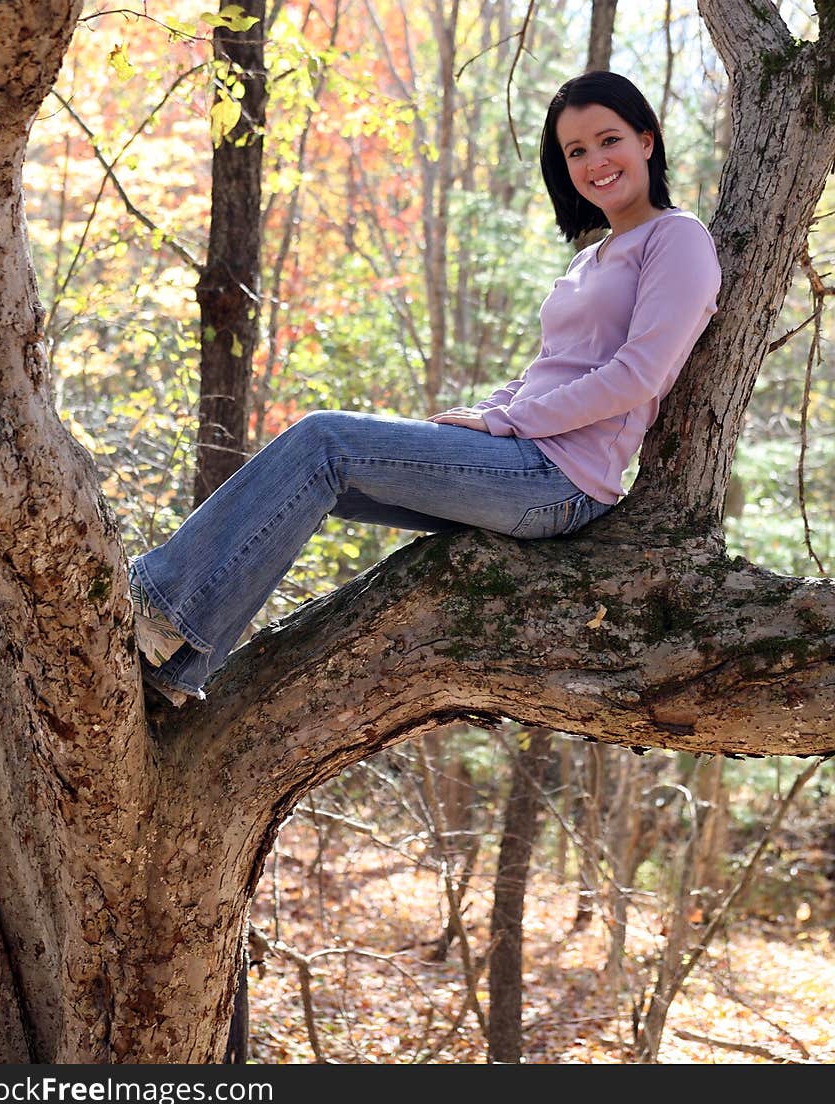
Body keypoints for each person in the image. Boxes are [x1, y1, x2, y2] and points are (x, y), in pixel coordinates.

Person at [129, 70, 722, 706]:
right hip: (525, 454)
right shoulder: (593, 255)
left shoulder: (678, 239)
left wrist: (510, 425)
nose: (595, 162)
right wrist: (490, 413)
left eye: (609, 141)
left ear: (647, 141)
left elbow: (640, 375)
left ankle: (156, 605)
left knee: (326, 442)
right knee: (321, 480)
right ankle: (176, 670)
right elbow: (552, 366)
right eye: (576, 151)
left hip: (563, 478)